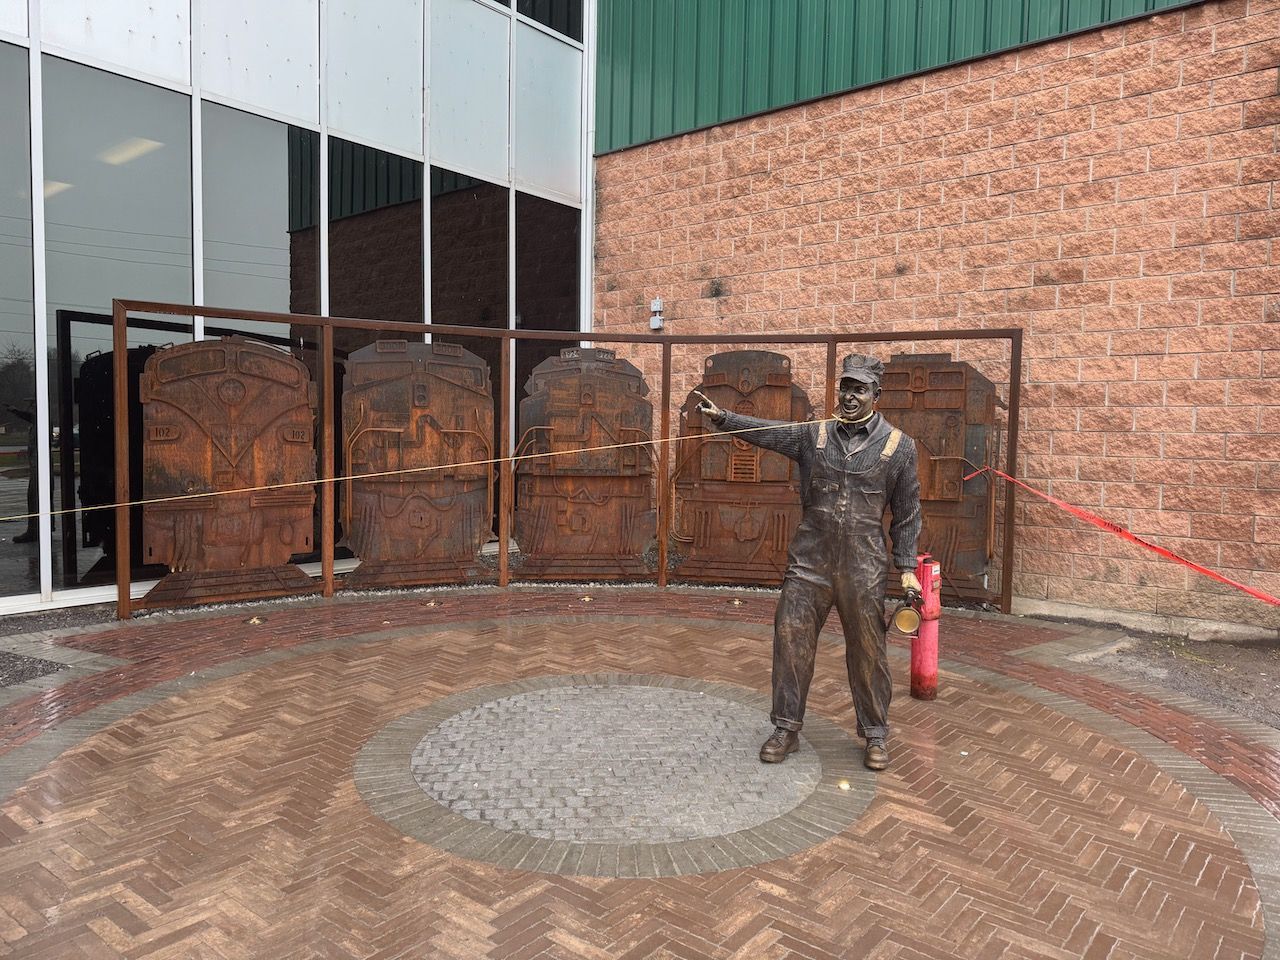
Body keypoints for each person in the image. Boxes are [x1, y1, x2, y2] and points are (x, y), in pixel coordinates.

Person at [696, 354, 922, 771]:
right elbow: (767, 431)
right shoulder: (812, 436)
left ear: (876, 394)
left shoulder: (899, 447)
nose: (849, 396)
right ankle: (786, 728)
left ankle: (875, 733)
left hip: (864, 567)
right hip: (810, 562)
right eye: (845, 387)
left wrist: (906, 566)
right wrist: (723, 419)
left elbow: (907, 514)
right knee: (791, 639)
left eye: (859, 389)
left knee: (868, 651)